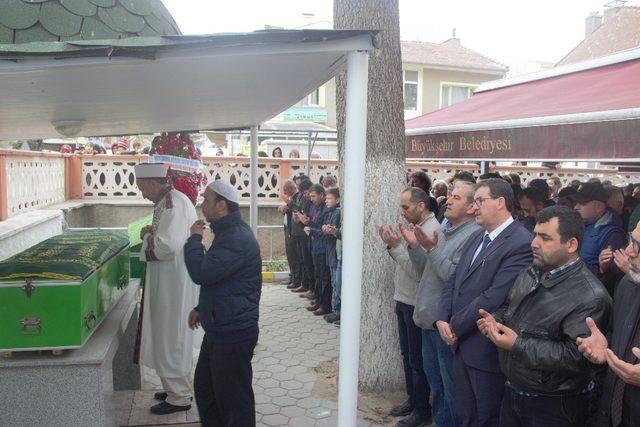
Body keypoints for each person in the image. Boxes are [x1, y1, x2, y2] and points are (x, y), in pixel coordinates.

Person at [478, 205, 611, 426]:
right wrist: (495, 322)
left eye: (545, 238)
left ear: (571, 244)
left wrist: (517, 344)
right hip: (514, 391)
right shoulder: (530, 272)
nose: (534, 243)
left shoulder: (591, 296)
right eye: (535, 235)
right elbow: (511, 309)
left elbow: (576, 358)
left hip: (553, 405)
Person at [436, 178, 532, 427]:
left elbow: (494, 296)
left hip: (485, 350)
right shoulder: (477, 236)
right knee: (466, 414)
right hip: (461, 344)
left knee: (486, 417)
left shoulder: (520, 242)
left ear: (500, 202)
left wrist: (455, 326)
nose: (474, 207)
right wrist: (441, 318)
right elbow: (454, 280)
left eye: (480, 200)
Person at [401, 181, 480, 427]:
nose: (449, 200)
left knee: (451, 389)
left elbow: (454, 278)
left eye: (456, 197)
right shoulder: (448, 229)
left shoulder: (473, 235)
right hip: (429, 320)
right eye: (450, 196)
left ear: (471, 207)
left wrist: (432, 249)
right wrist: (415, 247)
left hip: (445, 324)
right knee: (437, 386)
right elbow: (428, 269)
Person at [183, 180, 262, 426]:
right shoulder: (227, 232)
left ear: (222, 205)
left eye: (206, 200)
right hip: (221, 328)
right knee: (207, 391)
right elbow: (223, 281)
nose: (202, 204)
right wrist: (201, 309)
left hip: (233, 333)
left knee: (234, 403)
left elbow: (202, 272)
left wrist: (194, 240)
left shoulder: (235, 237)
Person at [134, 163, 198, 415]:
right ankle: (175, 388)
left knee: (171, 336)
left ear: (152, 182)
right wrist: (152, 232)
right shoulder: (169, 200)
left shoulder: (173, 203)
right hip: (170, 280)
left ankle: (179, 396)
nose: (142, 194)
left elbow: (166, 247)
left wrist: (147, 238)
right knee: (169, 334)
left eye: (142, 188)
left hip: (173, 284)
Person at [379, 187, 439, 427]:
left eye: (406, 207)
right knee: (408, 356)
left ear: (421, 206)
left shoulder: (432, 230)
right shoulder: (417, 228)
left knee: (417, 360)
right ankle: (413, 400)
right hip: (403, 298)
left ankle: (422, 409)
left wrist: (395, 247)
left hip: (417, 303)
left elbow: (420, 272)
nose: (402, 211)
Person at [577, 221, 640, 426]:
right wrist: (603, 355)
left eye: (638, 246)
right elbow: (614, 345)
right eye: (632, 241)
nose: (629, 251)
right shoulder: (628, 286)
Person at [571, 182, 626, 294]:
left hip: (590, 297)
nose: (576, 207)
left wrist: (602, 270)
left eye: (582, 203)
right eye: (576, 203)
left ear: (599, 207)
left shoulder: (612, 235)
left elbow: (613, 276)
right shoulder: (583, 225)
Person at [302, 184, 331, 315]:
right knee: (318, 276)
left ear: (322, 195)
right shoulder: (316, 208)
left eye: (314, 196)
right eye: (311, 196)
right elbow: (316, 225)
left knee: (324, 278)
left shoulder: (326, 210)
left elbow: (323, 230)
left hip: (323, 248)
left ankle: (325, 305)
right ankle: (319, 302)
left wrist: (311, 230)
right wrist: (307, 222)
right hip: (315, 246)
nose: (311, 198)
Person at [322, 188, 342, 324]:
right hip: (331, 252)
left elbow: (336, 231)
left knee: (337, 283)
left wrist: (331, 230)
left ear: (338, 199)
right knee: (335, 282)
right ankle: (335, 310)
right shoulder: (329, 212)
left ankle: (338, 311)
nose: (326, 201)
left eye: (329, 198)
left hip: (336, 253)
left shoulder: (338, 212)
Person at [277, 180, 298, 286]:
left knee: (294, 256)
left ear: (291, 188)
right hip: (287, 228)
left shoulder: (296, 198)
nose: (284, 192)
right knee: (289, 255)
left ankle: (296, 279)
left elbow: (296, 211)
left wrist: (287, 208)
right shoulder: (290, 199)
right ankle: (292, 276)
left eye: (285, 190)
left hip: (294, 231)